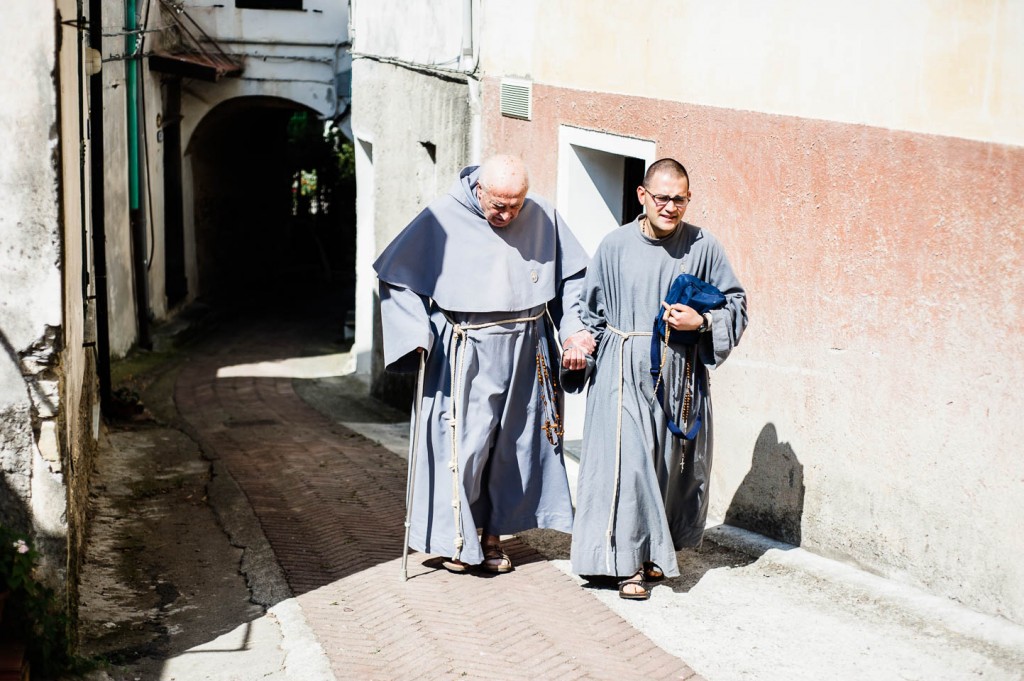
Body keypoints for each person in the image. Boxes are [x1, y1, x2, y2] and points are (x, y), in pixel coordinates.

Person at [374, 154, 594, 574]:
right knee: (465, 447)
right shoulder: (443, 216)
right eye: (498, 205)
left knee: (516, 447)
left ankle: (494, 539)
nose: (508, 214)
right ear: (480, 190)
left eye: (516, 205)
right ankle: (458, 540)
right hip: (467, 348)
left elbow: (574, 280)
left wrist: (574, 331)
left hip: (529, 346)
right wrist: (415, 334)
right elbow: (396, 276)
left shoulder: (542, 214)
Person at [567, 158, 748, 599]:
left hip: (677, 373)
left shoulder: (704, 246)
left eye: (680, 199)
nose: (671, 207)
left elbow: (737, 306)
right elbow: (587, 311)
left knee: (662, 468)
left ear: (689, 200)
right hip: (621, 367)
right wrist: (577, 344)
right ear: (642, 196)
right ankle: (625, 564)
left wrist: (701, 322)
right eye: (662, 197)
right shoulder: (613, 245)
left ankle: (648, 553)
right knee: (627, 464)